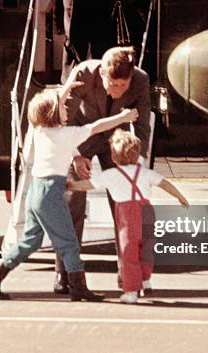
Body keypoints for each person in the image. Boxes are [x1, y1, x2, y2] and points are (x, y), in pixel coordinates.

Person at [0, 85, 139, 301]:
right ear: (55, 113)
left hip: (36, 191)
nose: (67, 109)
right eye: (63, 107)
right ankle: (78, 287)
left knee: (31, 241)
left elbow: (50, 104)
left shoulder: (39, 130)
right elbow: (97, 127)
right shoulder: (67, 134)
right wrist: (123, 117)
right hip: (51, 193)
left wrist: (66, 89)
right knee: (69, 242)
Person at [53, 46, 152, 294]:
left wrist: (135, 161)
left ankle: (130, 275)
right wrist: (75, 156)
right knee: (72, 201)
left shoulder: (140, 79)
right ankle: (65, 273)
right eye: (113, 85)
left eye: (123, 86)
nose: (117, 91)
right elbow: (63, 119)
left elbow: (142, 124)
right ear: (102, 73)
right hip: (81, 137)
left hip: (116, 143)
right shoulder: (83, 73)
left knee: (125, 208)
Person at [68, 129, 189, 304]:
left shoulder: (110, 175)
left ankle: (131, 291)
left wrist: (70, 185)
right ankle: (145, 280)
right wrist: (180, 196)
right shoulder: (145, 173)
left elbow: (87, 185)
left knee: (129, 253)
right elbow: (165, 183)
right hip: (147, 212)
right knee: (146, 250)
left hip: (127, 215)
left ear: (114, 157)